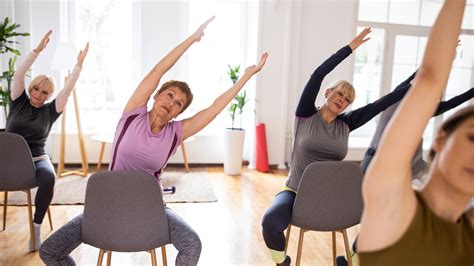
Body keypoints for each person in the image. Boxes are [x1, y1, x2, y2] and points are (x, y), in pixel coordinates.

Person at [39, 17, 268, 266]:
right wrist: (192, 40)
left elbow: (213, 109)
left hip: (152, 211)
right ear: (156, 95)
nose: (171, 102)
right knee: (50, 250)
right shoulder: (133, 113)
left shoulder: (175, 133)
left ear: (179, 113)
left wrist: (245, 78)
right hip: (109, 208)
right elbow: (158, 70)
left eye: (178, 103)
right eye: (169, 95)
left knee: (192, 244)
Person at [261, 27, 421, 266]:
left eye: (347, 99)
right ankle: (282, 262)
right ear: (327, 93)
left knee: (381, 216)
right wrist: (349, 49)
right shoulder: (305, 114)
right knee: (270, 222)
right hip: (295, 192)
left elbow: (385, 100)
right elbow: (317, 74)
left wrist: (423, 73)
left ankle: (351, 261)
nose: (342, 100)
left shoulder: (347, 123)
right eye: (339, 93)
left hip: (336, 195)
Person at [357, 0, 474, 264]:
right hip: (377, 161)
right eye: (472, 138)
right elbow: (429, 80)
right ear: (441, 138)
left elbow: (446, 100)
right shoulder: (391, 203)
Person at [336, 86, 474, 266]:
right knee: (383, 216)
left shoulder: (426, 109)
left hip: (410, 164)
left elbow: (452, 103)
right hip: (377, 160)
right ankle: (353, 258)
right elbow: (427, 81)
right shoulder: (398, 104)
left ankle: (353, 258)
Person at [6, 30, 88, 251]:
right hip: (8, 162)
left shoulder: (51, 111)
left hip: (37, 159)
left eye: (44, 92)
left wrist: (78, 67)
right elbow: (19, 75)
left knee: (49, 177)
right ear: (31, 88)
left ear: (49, 96)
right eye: (36, 89)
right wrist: (37, 51)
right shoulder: (18, 101)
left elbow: (68, 90)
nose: (38, 94)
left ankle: (36, 228)